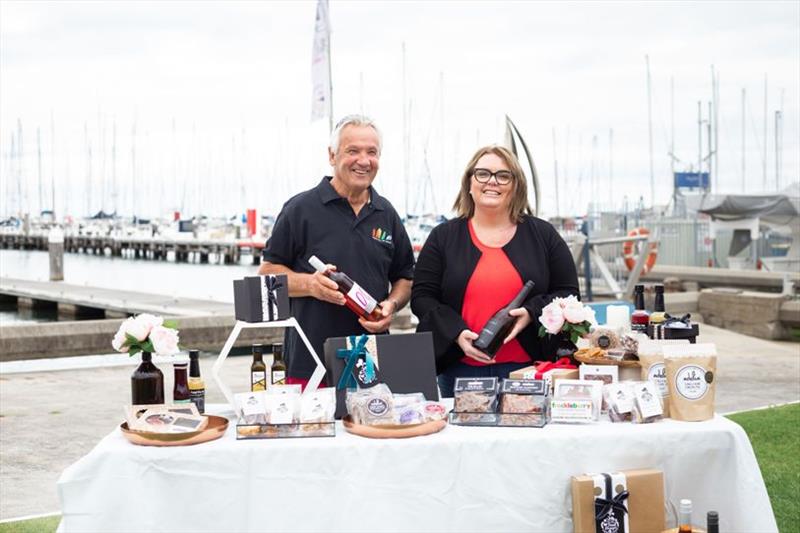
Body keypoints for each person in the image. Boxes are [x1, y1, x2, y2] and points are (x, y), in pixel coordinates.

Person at [259, 114, 414, 388]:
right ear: (332, 155)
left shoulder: (386, 212)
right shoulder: (300, 209)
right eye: (352, 151)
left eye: (372, 152)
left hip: (372, 357)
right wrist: (310, 284)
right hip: (310, 362)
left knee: (373, 428)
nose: (363, 161)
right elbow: (266, 274)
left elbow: (405, 277)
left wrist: (391, 305)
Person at [411, 145, 579, 397]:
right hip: (459, 370)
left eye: (503, 175)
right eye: (483, 174)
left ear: (515, 186)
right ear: (469, 182)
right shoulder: (443, 237)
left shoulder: (543, 235)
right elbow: (422, 298)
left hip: (527, 370)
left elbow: (568, 294)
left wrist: (531, 313)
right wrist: (455, 333)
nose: (492, 182)